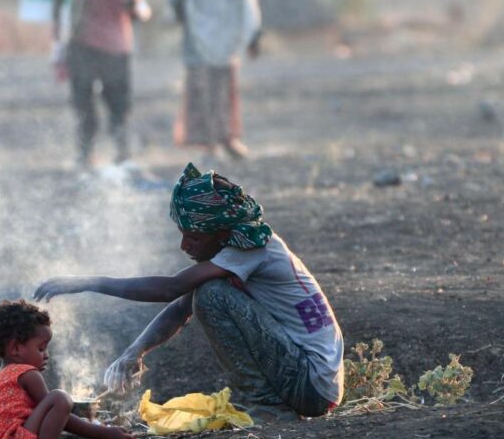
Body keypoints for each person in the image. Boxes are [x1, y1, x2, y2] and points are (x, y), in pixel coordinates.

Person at [34, 163, 344, 421]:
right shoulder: (240, 245)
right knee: (206, 293)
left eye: (193, 237)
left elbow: (172, 289)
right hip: (312, 381)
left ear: (222, 232)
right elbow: (181, 307)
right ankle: (267, 405)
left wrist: (90, 283)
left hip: (311, 384)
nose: (185, 246)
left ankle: (267, 409)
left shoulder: (251, 249)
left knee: (211, 296)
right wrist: (135, 351)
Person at [0, 299, 136, 439]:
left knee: (55, 400)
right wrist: (104, 434)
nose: (46, 355)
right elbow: (62, 414)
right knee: (60, 398)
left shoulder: (2, 376)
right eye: (41, 349)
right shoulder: (26, 374)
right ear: (15, 349)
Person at [52, 0, 150, 167]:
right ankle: (122, 153)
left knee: (82, 101)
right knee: (118, 104)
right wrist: (141, 12)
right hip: (114, 43)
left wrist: (58, 37)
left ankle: (85, 154)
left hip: (80, 40)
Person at [170, 0, 261, 159]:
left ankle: (210, 143)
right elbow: (247, 1)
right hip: (226, 37)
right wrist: (252, 35)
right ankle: (227, 139)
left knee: (203, 88)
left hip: (200, 39)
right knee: (222, 87)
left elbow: (179, 1)